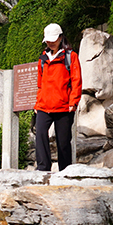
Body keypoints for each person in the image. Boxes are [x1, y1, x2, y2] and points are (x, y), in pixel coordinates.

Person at [34, 23, 82, 171]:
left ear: (60, 38)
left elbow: (76, 80)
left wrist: (73, 102)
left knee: (63, 142)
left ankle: (65, 171)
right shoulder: (43, 58)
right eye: (48, 40)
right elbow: (40, 84)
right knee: (40, 134)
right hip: (44, 106)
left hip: (64, 107)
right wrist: (37, 103)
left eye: (53, 39)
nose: (51, 43)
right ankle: (43, 168)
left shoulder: (71, 56)